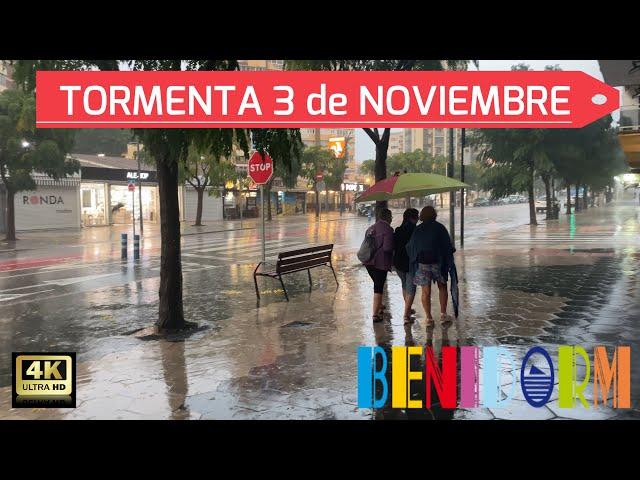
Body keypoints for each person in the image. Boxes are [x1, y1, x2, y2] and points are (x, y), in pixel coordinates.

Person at [406, 206, 456, 326]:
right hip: (438, 263)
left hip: (423, 264)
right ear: (434, 214)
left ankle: (428, 318)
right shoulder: (440, 227)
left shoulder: (418, 229)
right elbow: (447, 246)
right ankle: (443, 314)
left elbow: (410, 246)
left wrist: (416, 258)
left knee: (425, 291)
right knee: (442, 287)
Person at [363, 208, 394, 322]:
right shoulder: (388, 229)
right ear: (388, 217)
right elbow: (387, 248)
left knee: (377, 284)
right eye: (391, 217)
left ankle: (379, 305)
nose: (391, 219)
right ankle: (375, 314)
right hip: (380, 263)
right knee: (378, 288)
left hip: (368, 262)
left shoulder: (371, 228)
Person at [393, 208, 419, 324]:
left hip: (398, 262)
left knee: (404, 285)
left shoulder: (398, 230)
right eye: (416, 216)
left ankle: (407, 309)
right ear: (412, 218)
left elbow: (393, 245)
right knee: (412, 288)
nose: (418, 219)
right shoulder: (416, 230)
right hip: (410, 263)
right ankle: (406, 314)